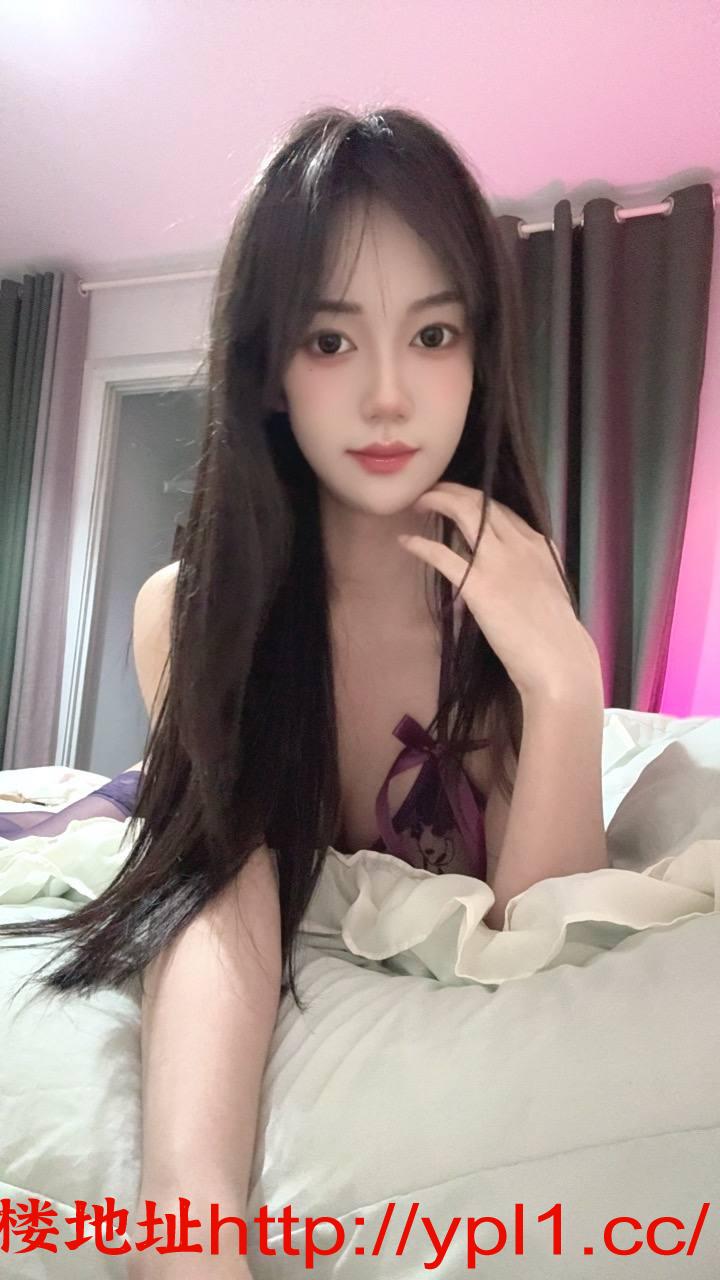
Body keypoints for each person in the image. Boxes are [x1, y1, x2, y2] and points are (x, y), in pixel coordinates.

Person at [0, 106, 608, 1276]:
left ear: (480, 355)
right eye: (331, 340)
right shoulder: (189, 611)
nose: (388, 395)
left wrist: (565, 685)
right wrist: (191, 1225)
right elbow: (220, 884)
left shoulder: (511, 601)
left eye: (433, 334)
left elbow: (541, 935)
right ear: (270, 369)